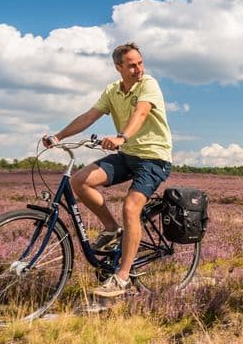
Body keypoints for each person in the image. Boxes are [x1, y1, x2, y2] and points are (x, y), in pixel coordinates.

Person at [42, 42, 171, 298]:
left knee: (131, 207)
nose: (138, 69)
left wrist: (122, 136)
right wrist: (58, 137)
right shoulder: (112, 90)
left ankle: (122, 277)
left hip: (154, 157)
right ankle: (112, 228)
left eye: (140, 63)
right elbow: (88, 116)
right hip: (127, 155)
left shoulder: (149, 84)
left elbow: (141, 112)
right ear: (118, 67)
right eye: (132, 65)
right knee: (80, 181)